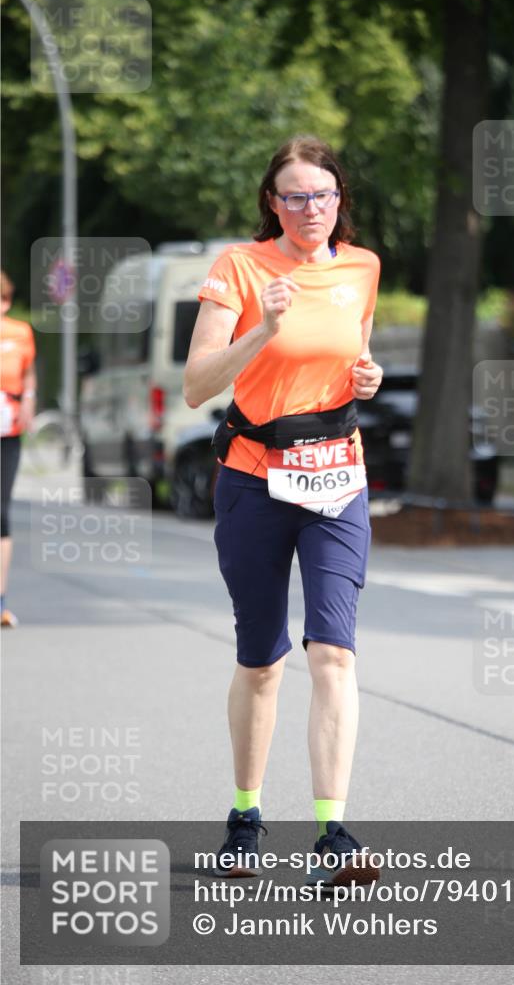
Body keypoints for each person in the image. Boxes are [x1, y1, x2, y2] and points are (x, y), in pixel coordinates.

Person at [184, 136, 383, 887]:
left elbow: (351, 358)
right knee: (262, 661)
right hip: (252, 476)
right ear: (272, 202)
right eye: (294, 196)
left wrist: (367, 376)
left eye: (322, 195)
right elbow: (199, 383)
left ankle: (333, 834)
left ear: (339, 200)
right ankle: (244, 819)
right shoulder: (239, 267)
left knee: (332, 652)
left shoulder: (360, 268)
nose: (310, 209)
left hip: (336, 477)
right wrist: (262, 328)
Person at [1, 270, 37, 628]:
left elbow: (28, 372)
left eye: (2, 300)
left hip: (7, 429)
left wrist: (28, 400)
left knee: (1, 512)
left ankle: (0, 602)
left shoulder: (21, 333)